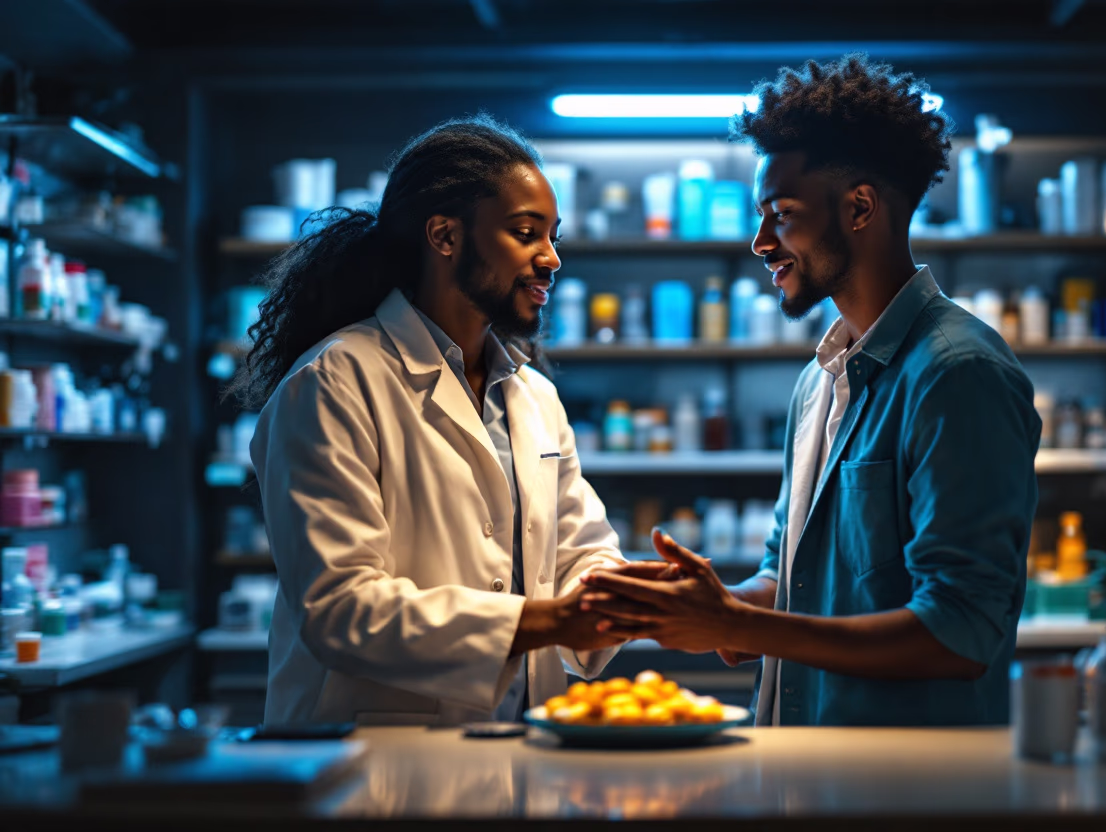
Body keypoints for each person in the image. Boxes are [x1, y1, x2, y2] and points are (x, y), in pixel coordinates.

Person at [582, 55, 1042, 727]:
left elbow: (960, 631)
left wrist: (741, 622)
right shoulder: (818, 381)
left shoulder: (955, 373)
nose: (761, 242)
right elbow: (788, 582)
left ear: (860, 207)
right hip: (806, 770)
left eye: (782, 215)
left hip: (906, 789)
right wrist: (707, 606)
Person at [236, 116, 627, 727]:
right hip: (370, 759)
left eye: (553, 236)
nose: (551, 258)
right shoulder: (334, 382)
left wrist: (626, 595)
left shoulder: (535, 398)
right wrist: (548, 622)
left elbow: (582, 550)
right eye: (526, 233)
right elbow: (340, 609)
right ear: (445, 236)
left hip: (521, 744)